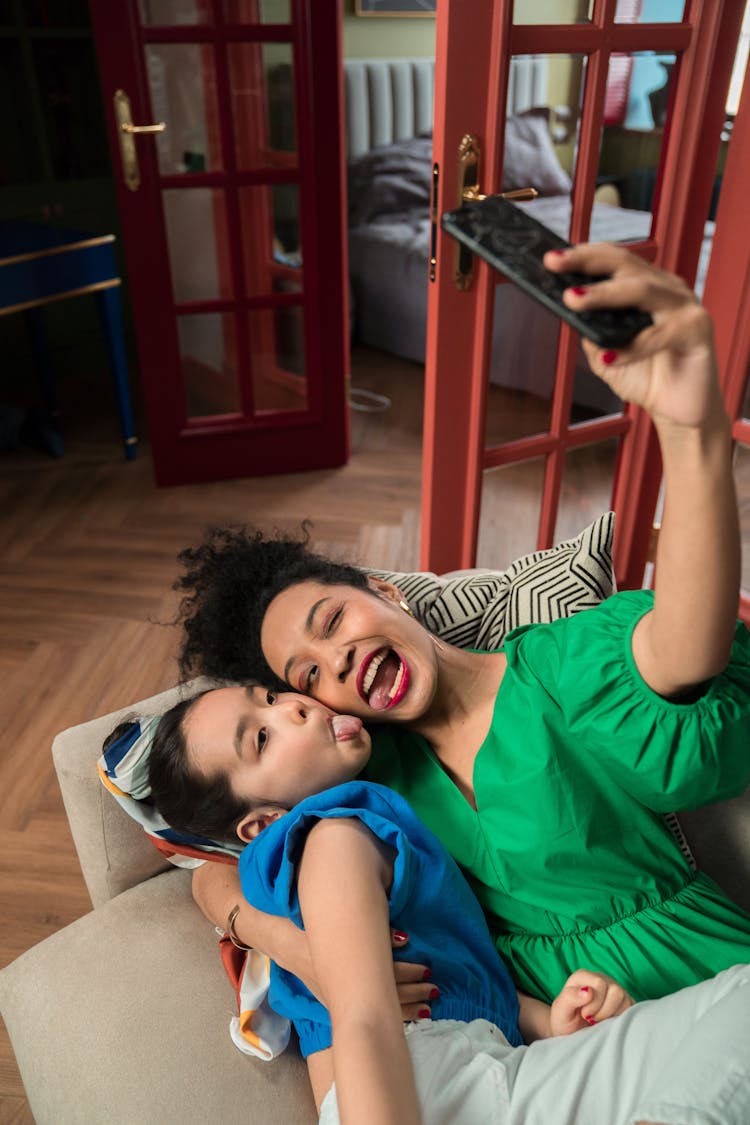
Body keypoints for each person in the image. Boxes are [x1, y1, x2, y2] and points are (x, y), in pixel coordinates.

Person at [175, 242, 750, 1009]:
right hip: (544, 1039)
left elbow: (683, 648)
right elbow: (206, 866)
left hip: (696, 981)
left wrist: (693, 432)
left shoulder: (554, 666)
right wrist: (288, 942)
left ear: (391, 593)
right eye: (307, 676)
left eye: (333, 619)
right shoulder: (363, 774)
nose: (335, 663)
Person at [142, 681, 750, 1125]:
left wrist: (547, 1021)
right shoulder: (335, 839)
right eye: (263, 737)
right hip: (412, 1089)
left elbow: (445, 979)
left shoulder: (369, 831)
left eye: (269, 697)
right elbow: (366, 1021)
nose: (294, 706)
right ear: (265, 821)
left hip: (481, 1068)